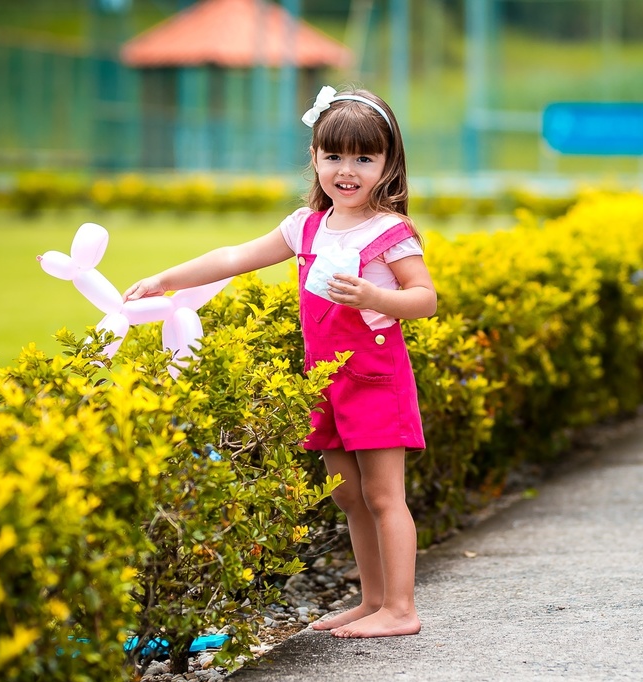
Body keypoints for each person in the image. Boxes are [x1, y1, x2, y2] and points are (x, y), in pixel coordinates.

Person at [123, 86, 435, 639]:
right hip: (325, 381)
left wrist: (374, 297)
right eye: (334, 155)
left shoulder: (390, 232)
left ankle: (401, 608)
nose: (347, 170)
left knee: (384, 495)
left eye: (364, 158)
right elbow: (234, 257)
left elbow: (424, 299)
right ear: (314, 158)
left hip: (375, 378)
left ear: (388, 164)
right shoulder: (305, 226)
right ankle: (373, 600)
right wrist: (165, 279)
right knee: (347, 495)